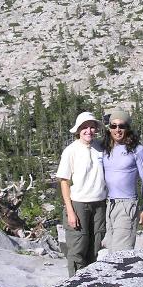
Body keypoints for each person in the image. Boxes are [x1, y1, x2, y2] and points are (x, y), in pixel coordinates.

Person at [56, 111, 107, 276]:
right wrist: (70, 211)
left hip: (99, 204)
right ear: (78, 130)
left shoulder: (100, 147)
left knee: (95, 247)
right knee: (77, 248)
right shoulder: (71, 151)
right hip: (78, 204)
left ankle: (90, 284)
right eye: (84, 127)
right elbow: (64, 181)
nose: (89, 130)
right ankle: (76, 285)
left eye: (92, 127)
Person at [102, 107, 143, 252]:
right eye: (113, 126)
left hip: (127, 206)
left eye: (122, 126)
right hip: (109, 205)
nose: (117, 130)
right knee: (110, 250)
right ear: (109, 128)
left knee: (121, 252)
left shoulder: (137, 150)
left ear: (128, 128)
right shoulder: (105, 149)